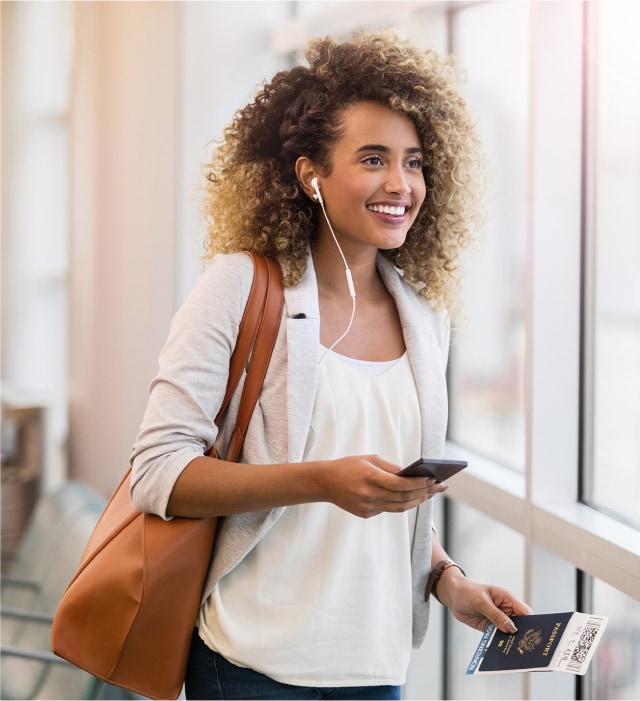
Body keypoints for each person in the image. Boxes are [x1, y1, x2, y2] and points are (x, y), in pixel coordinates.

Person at [130, 28, 531, 701]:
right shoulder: (240, 286)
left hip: (372, 668)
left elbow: (383, 501)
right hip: (251, 662)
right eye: (372, 158)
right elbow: (157, 472)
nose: (399, 183)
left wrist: (446, 579)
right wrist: (318, 479)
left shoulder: (425, 318)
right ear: (310, 173)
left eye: (413, 160)